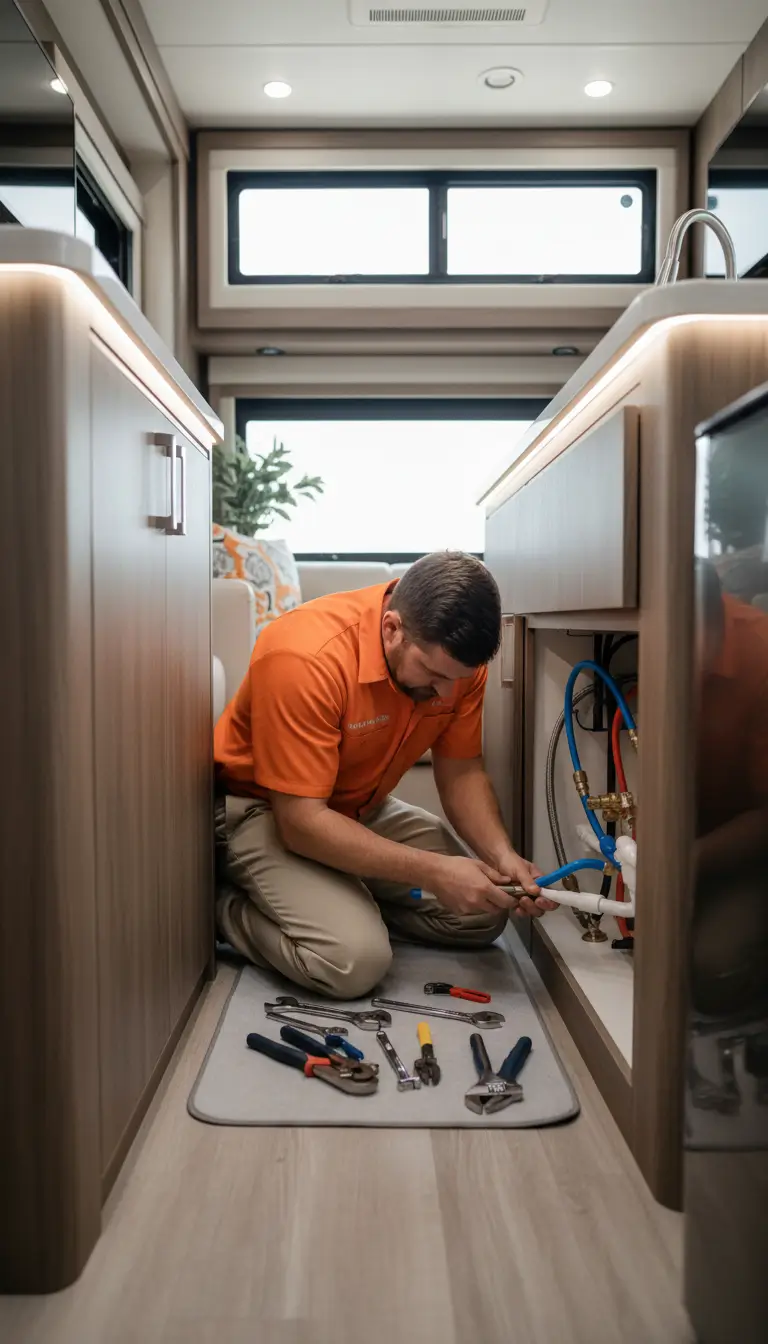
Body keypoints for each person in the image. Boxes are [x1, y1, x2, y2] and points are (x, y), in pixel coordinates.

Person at [214, 551, 555, 998]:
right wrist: (434, 873)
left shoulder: (452, 664)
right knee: (353, 962)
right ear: (392, 629)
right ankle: (223, 905)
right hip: (266, 809)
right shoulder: (304, 657)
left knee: (485, 910)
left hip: (355, 805)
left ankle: (341, 898)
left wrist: (501, 857)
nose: (447, 693)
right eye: (433, 674)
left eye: (461, 679)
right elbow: (301, 824)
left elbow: (462, 771)